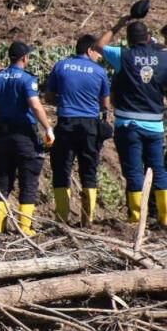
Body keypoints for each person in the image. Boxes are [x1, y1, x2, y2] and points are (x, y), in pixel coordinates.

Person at [97, 15, 167, 225]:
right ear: (147, 37)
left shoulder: (123, 56)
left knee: (134, 171)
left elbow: (99, 46)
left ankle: (136, 218)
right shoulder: (163, 57)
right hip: (155, 124)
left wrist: (119, 24)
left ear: (128, 40)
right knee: (159, 170)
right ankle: (165, 218)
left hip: (128, 125)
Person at [0, 41, 54, 236]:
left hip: (3, 136)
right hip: (24, 136)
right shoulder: (27, 79)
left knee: (2, 180)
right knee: (28, 182)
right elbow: (35, 105)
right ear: (25, 58)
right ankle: (25, 228)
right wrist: (48, 128)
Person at [45, 34, 111, 225]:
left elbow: (48, 97)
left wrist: (65, 101)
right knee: (89, 171)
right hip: (90, 126)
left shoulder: (61, 66)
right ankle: (87, 220)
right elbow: (105, 104)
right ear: (90, 50)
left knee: (61, 170)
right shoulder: (99, 71)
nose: (99, 56)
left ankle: (62, 218)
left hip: (66, 123)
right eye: (97, 52)